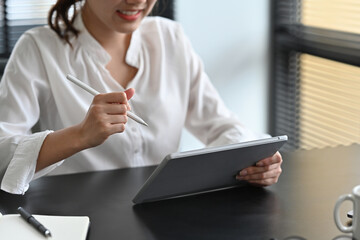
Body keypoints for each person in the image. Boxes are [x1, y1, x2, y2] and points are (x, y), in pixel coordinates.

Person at [0, 0, 282, 195]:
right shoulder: (38, 49)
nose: (137, 1)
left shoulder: (170, 37)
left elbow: (221, 125)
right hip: (77, 218)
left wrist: (254, 160)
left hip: (162, 215)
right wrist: (79, 136)